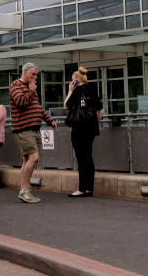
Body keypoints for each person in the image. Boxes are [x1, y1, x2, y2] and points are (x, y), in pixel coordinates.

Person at [9, 63, 57, 203]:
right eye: (33, 74)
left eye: (36, 75)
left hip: (35, 128)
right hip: (23, 128)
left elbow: (37, 107)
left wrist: (49, 120)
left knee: (27, 159)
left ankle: (24, 190)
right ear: (25, 72)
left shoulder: (32, 88)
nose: (35, 77)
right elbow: (20, 102)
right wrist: (30, 90)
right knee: (34, 157)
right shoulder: (15, 85)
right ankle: (25, 190)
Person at [64, 66, 104, 197]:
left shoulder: (76, 91)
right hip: (91, 128)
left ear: (75, 80)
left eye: (72, 80)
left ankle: (81, 189)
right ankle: (89, 188)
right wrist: (94, 122)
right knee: (88, 156)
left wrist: (70, 90)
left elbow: (66, 105)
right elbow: (100, 109)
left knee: (81, 158)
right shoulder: (92, 89)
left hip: (79, 128)